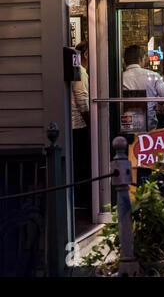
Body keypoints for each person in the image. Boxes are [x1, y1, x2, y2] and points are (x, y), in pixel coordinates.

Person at [122, 45, 164, 130]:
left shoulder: (119, 78)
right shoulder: (153, 76)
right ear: (141, 59)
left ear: (124, 61)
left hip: (125, 124)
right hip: (149, 127)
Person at [71, 41, 91, 212]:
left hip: (75, 124)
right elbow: (81, 99)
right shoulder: (80, 72)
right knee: (81, 163)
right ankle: (81, 200)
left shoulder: (78, 70)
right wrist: (90, 122)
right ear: (85, 54)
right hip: (78, 124)